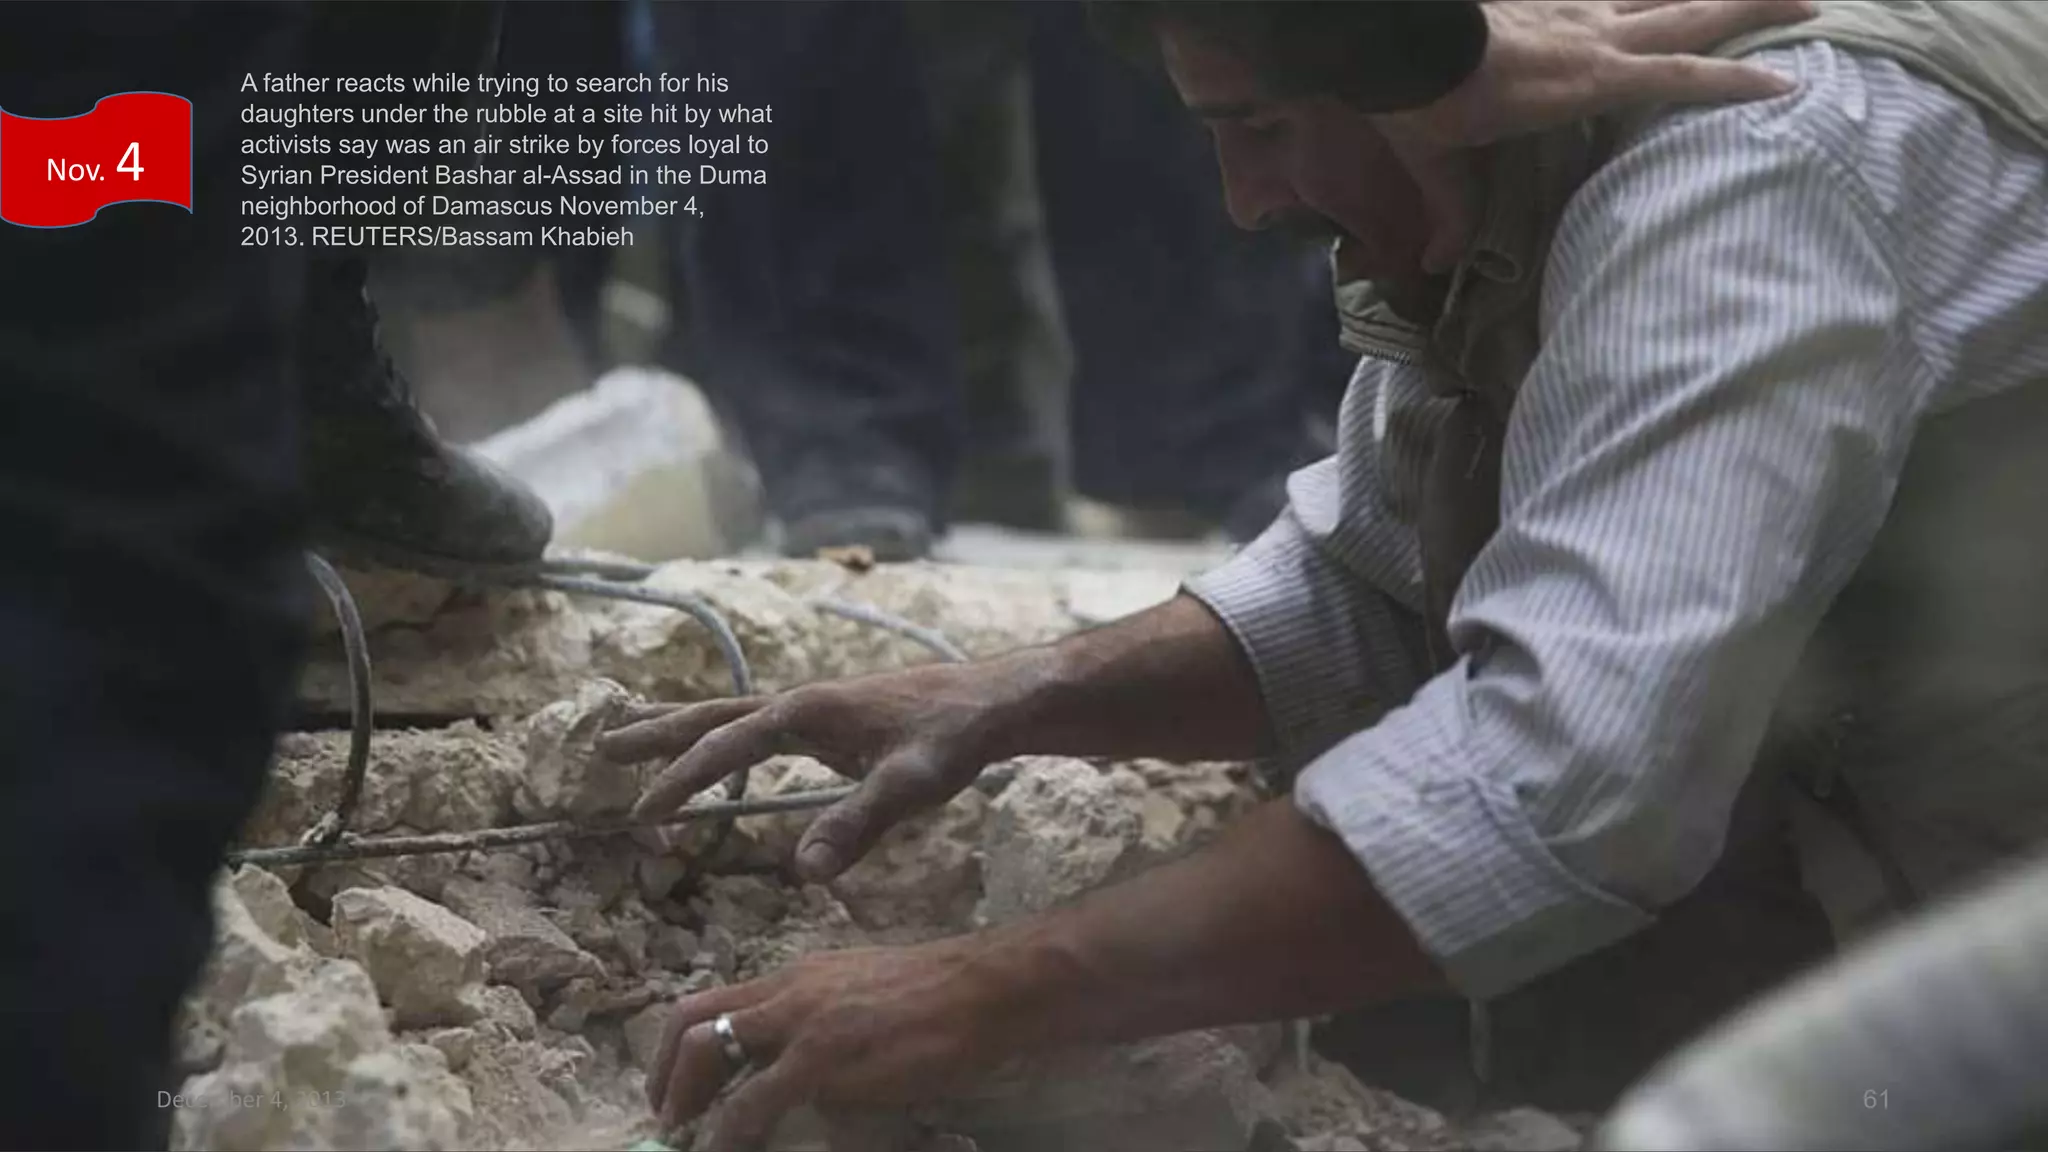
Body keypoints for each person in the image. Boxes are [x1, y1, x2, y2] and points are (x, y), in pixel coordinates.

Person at [606, 0, 2048, 1146]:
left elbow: (1563, 781)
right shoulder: (1502, 167)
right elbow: (1381, 582)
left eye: (1261, 124)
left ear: (1420, 75)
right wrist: (1012, 698)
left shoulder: (1737, 175)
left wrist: (975, 994)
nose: (1245, 201)